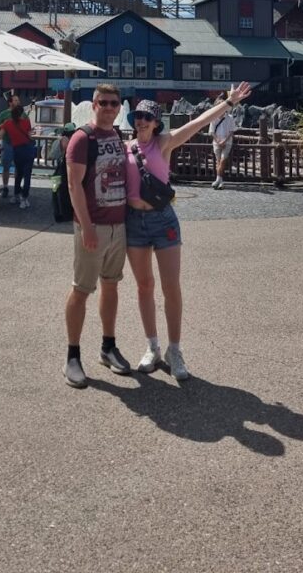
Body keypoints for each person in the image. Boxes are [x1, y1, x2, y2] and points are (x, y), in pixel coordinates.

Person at [126, 83, 252, 381]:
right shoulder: (125, 148)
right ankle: (152, 347)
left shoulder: (164, 143)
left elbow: (198, 123)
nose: (141, 120)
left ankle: (174, 349)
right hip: (134, 222)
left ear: (156, 122)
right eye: (137, 116)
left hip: (163, 220)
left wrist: (229, 103)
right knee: (144, 286)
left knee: (171, 287)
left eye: (146, 116)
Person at [62, 84, 130, 388]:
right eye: (103, 102)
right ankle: (72, 355)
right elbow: (74, 185)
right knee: (81, 289)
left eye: (113, 103)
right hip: (93, 226)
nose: (108, 107)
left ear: (119, 107)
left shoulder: (117, 136)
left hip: (119, 225)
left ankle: (108, 346)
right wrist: (86, 226)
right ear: (94, 104)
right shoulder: (82, 138)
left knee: (111, 285)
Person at [0, 103, 35, 209]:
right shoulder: (26, 122)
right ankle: (24, 198)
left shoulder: (7, 123)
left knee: (19, 174)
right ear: (21, 114)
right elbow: (30, 136)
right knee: (27, 176)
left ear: (11, 114)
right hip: (28, 150)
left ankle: (16, 195)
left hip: (16, 150)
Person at [0, 93, 21, 198]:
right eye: (15, 100)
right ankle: (5, 187)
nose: (18, 102)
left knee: (18, 167)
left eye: (18, 100)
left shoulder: (22, 113)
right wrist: (4, 124)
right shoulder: (3, 114)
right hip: (7, 143)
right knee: (6, 167)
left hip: (19, 144)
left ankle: (17, 188)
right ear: (10, 102)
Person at [209, 91, 235, 189]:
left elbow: (231, 132)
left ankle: (217, 180)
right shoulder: (214, 118)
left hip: (227, 142)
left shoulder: (230, 118)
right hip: (217, 142)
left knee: (223, 160)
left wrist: (224, 141)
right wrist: (218, 141)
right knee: (218, 161)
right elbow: (212, 132)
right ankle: (220, 181)